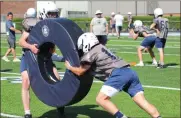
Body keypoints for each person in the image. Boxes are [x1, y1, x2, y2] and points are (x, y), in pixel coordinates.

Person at [65, 32, 161, 118]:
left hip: (118, 74)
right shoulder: (102, 47)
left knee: (100, 99)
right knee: (142, 102)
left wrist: (69, 67)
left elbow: (80, 71)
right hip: (130, 72)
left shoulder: (91, 53)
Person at [19, 3, 61, 118]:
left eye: (54, 13)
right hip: (29, 56)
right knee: (26, 80)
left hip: (44, 57)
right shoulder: (33, 23)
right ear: (44, 13)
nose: (53, 16)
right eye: (50, 14)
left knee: (56, 78)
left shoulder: (54, 26)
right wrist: (31, 47)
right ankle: (27, 112)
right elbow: (21, 42)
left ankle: (60, 104)